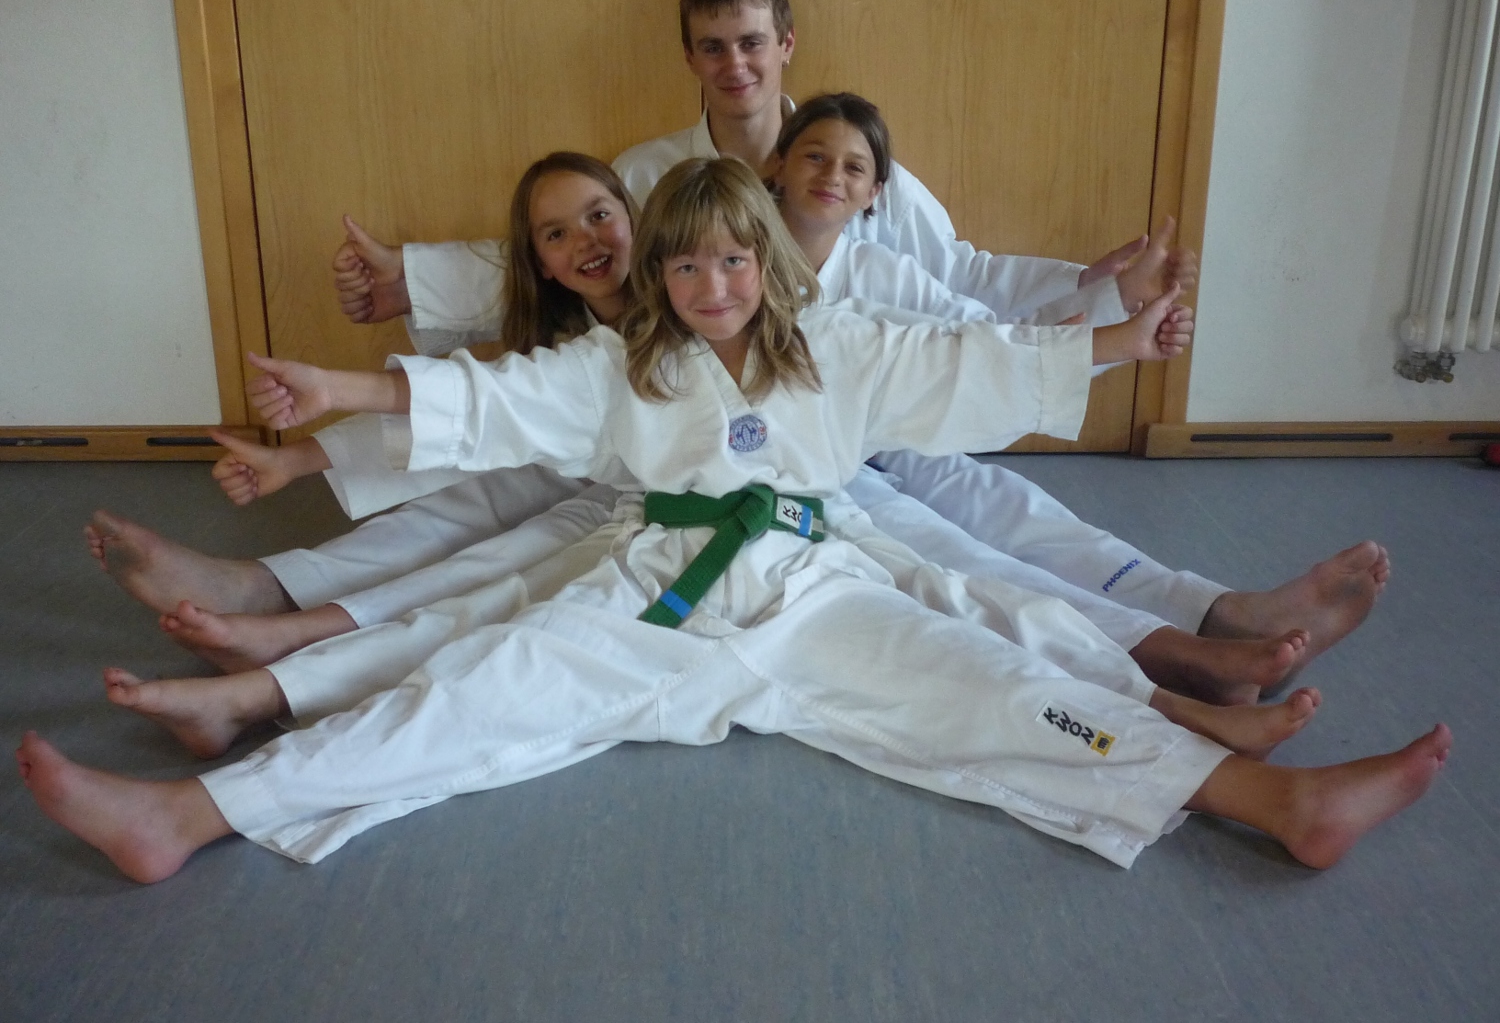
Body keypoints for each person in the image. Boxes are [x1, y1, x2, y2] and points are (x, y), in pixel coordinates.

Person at [25, 158, 1449, 884]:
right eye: (686, 266)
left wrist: (1123, 342)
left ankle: (1282, 804)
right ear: (661, 278)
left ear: (765, 261)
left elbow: (975, 364)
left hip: (809, 589)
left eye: (730, 261)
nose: (710, 286)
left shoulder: (846, 349)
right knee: (466, 692)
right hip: (647, 594)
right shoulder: (616, 367)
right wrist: (339, 386)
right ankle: (187, 817)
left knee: (1000, 688)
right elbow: (490, 400)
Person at [99, 118, 1299, 707]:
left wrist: (1107, 315)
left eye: (850, 168)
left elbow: (970, 315)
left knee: (979, 533)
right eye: (560, 234)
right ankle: (279, 607)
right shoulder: (615, 300)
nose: (589, 241)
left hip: (833, 462)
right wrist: (337, 397)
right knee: (485, 518)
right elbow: (489, 373)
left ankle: (1187, 630)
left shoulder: (831, 265)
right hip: (656, 489)